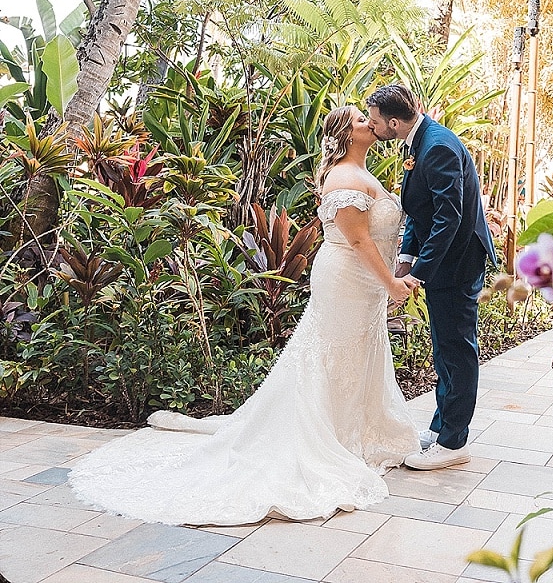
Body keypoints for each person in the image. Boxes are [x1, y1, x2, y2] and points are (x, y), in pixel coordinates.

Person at [69, 106, 421, 525]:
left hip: (365, 285)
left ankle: (356, 431)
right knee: (332, 353)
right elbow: (360, 240)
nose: (371, 123)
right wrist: (392, 283)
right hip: (348, 278)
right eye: (362, 120)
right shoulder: (345, 178)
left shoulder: (362, 173)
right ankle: (324, 437)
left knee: (357, 352)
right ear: (346, 134)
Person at [366, 85, 497, 470]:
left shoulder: (437, 146)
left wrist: (417, 274)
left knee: (456, 349)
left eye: (375, 122)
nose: (373, 128)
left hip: (456, 264)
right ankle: (442, 429)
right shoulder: (420, 140)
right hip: (445, 262)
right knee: (444, 347)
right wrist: (406, 260)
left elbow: (448, 217)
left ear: (393, 122)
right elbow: (420, 214)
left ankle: (455, 442)